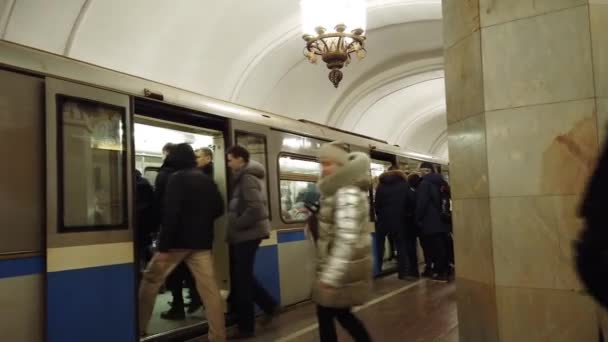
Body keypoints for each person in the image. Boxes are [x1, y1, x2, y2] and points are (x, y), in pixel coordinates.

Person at [139, 143, 226, 341]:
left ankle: (139, 327)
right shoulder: (206, 180)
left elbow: (171, 214)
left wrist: (163, 246)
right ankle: (218, 336)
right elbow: (219, 208)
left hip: (176, 244)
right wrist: (201, 221)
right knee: (210, 290)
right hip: (202, 243)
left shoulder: (176, 179)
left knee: (150, 281)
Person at [313, 142, 373, 342]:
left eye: (329, 163)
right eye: (322, 163)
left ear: (341, 165)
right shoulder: (336, 191)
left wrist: (330, 276)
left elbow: (346, 239)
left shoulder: (346, 192)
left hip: (343, 268)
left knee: (332, 314)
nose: (324, 168)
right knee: (337, 314)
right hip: (342, 266)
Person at [226, 145, 278, 339]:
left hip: (248, 234)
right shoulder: (245, 176)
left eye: (230, 159)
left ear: (241, 159)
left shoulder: (247, 178)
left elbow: (256, 208)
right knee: (243, 277)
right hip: (247, 234)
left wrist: (237, 224)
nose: (228, 163)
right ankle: (269, 305)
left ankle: (247, 328)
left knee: (243, 280)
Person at [375, 165, 418, 279]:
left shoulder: (380, 186)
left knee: (379, 245)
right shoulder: (404, 185)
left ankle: (377, 269)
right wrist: (407, 214)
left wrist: (381, 216)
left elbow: (377, 204)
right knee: (401, 245)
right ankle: (403, 273)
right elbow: (410, 202)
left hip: (383, 220)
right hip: (399, 220)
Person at [416, 162, 451, 282]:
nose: (421, 173)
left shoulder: (425, 183)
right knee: (443, 246)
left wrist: (418, 218)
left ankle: (441, 273)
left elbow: (422, 203)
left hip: (430, 221)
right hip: (443, 220)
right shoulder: (442, 182)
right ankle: (446, 270)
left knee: (434, 249)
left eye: (422, 170)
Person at [135, 169, 155, 273]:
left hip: (138, 227)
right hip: (145, 228)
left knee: (139, 253)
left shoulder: (135, 185)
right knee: (143, 252)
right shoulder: (145, 183)